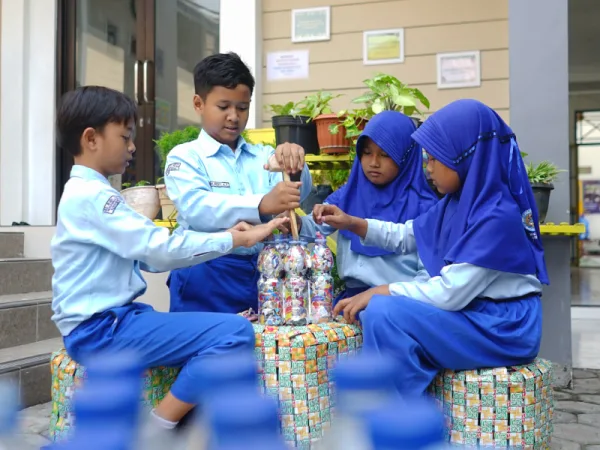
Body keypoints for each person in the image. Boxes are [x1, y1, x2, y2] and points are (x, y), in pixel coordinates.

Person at [51, 86, 287, 434]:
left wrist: (226, 236)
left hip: (115, 321)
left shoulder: (90, 193)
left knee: (222, 325)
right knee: (234, 333)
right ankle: (159, 428)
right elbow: (159, 249)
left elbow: (152, 256)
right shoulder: (95, 197)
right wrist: (234, 238)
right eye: (125, 137)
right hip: (101, 331)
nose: (132, 147)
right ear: (91, 138)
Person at [319, 99, 547, 395]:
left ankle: (396, 408)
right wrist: (352, 223)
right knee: (382, 312)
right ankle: (400, 404)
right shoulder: (458, 203)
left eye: (436, 159)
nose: (428, 169)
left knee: (384, 312)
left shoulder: (496, 216)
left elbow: (449, 293)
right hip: (476, 313)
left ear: (466, 156)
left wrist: (381, 290)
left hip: (504, 327)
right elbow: (406, 235)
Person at [164, 52, 312, 314]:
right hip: (205, 273)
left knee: (261, 340)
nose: (234, 116)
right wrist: (262, 204)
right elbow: (197, 208)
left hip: (263, 272)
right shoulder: (185, 157)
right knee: (206, 339)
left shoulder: (264, 157)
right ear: (198, 103)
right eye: (223, 107)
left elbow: (298, 193)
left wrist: (294, 164)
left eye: (242, 108)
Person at [288, 111, 438, 303]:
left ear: (405, 156)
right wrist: (298, 223)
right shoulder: (350, 194)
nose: (374, 163)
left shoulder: (426, 208)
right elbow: (316, 226)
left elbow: (427, 278)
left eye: (385, 154)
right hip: (349, 303)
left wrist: (393, 301)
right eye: (367, 153)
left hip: (396, 305)